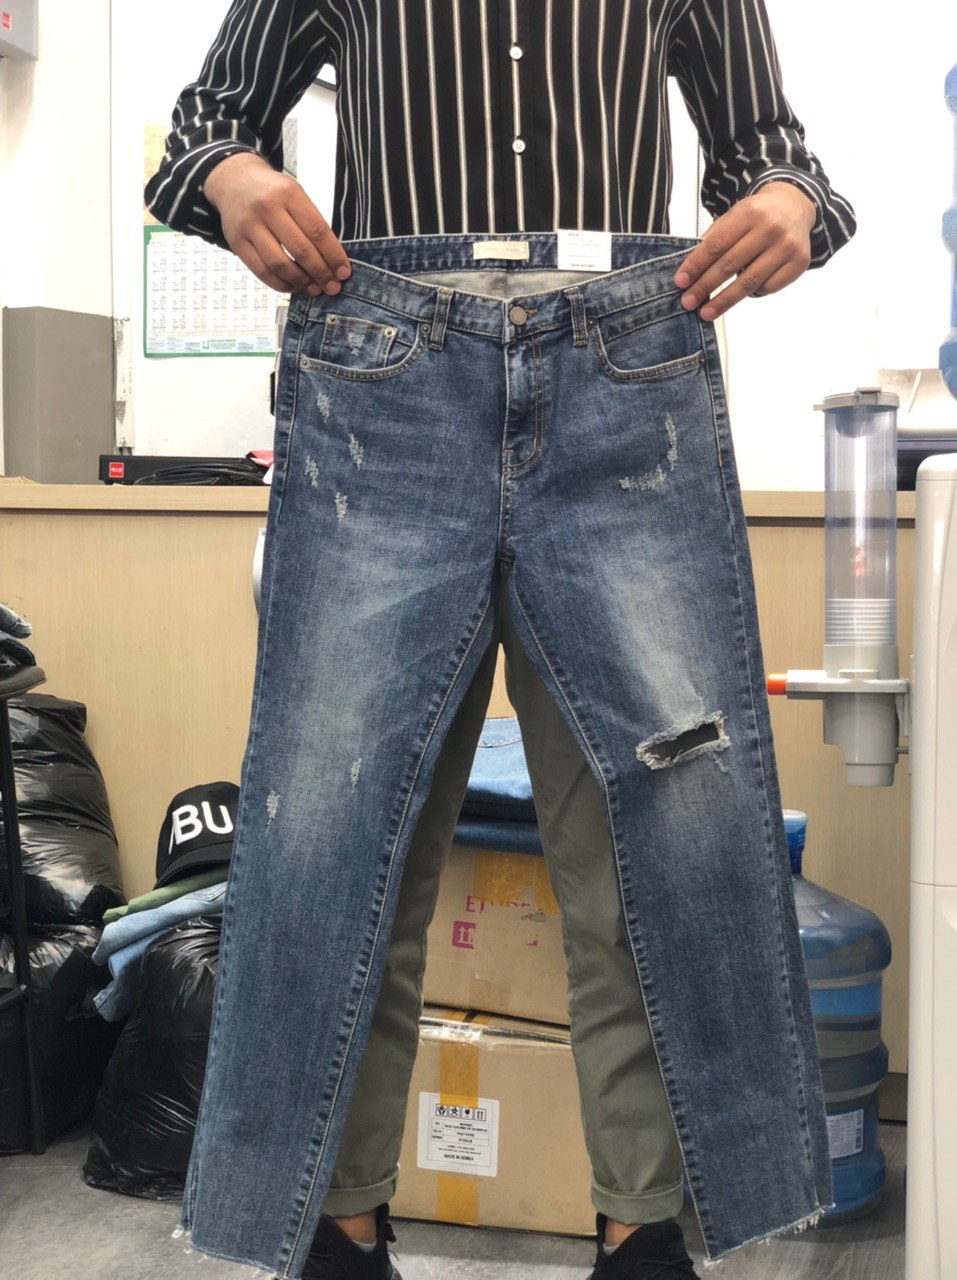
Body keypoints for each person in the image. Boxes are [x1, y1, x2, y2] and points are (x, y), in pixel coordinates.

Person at [145, 4, 855, 1279]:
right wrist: (231, 173)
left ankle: (645, 1233)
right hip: (386, 375)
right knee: (338, 828)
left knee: (656, 829)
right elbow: (206, 122)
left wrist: (792, 198)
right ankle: (336, 1231)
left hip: (620, 371)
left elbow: (765, 151)